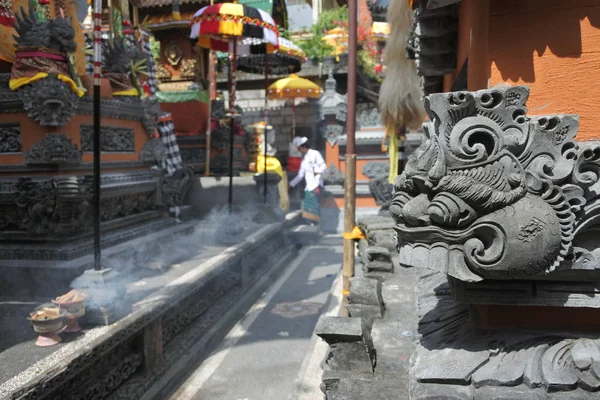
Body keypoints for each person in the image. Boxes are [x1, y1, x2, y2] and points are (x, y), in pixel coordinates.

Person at [289, 137, 326, 228]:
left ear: (303, 147)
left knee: (314, 205)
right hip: (309, 186)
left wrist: (317, 172)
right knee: (308, 206)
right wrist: (291, 184)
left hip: (316, 184)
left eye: (299, 149)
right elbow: (300, 175)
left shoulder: (315, 153)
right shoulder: (304, 159)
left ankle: (317, 225)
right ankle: (311, 224)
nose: (299, 151)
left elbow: (323, 166)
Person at [249, 142, 290, 212]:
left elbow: (257, 169)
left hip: (262, 180)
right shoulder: (275, 161)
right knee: (273, 196)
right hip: (273, 181)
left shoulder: (260, 159)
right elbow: (279, 174)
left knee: (262, 195)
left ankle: (263, 209)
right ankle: (273, 209)